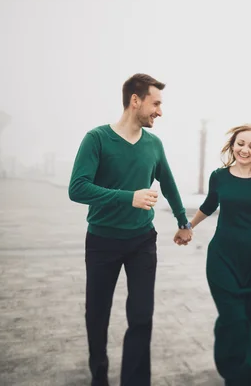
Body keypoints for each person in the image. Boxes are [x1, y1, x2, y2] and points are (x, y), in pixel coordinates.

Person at [68, 73, 193, 386]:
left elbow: (168, 181)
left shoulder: (154, 144)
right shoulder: (96, 139)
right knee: (97, 315)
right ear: (135, 101)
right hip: (102, 241)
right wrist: (130, 197)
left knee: (141, 316)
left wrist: (183, 220)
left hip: (141, 243)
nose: (160, 112)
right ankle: (99, 376)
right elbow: (77, 188)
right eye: (156, 103)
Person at [178, 124, 251, 385]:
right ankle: (231, 369)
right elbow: (209, 205)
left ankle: (245, 379)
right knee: (234, 319)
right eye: (240, 143)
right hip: (221, 260)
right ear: (233, 145)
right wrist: (187, 227)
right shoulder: (219, 177)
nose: (245, 149)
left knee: (250, 325)